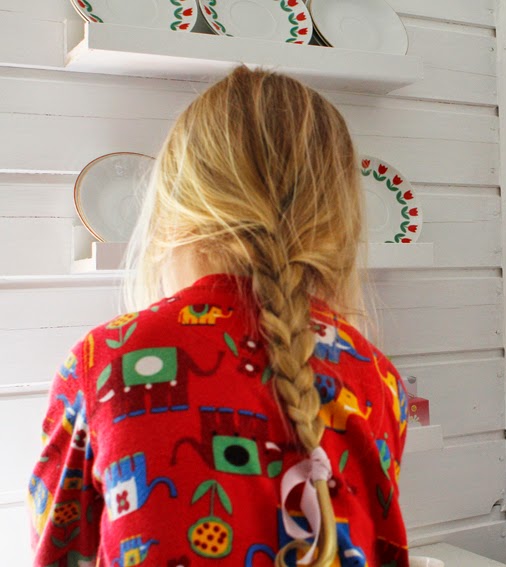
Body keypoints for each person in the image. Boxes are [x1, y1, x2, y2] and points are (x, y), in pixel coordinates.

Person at [28, 67, 409, 567]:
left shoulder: (106, 363)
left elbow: (58, 551)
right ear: (337, 217)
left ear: (175, 206)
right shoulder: (376, 376)